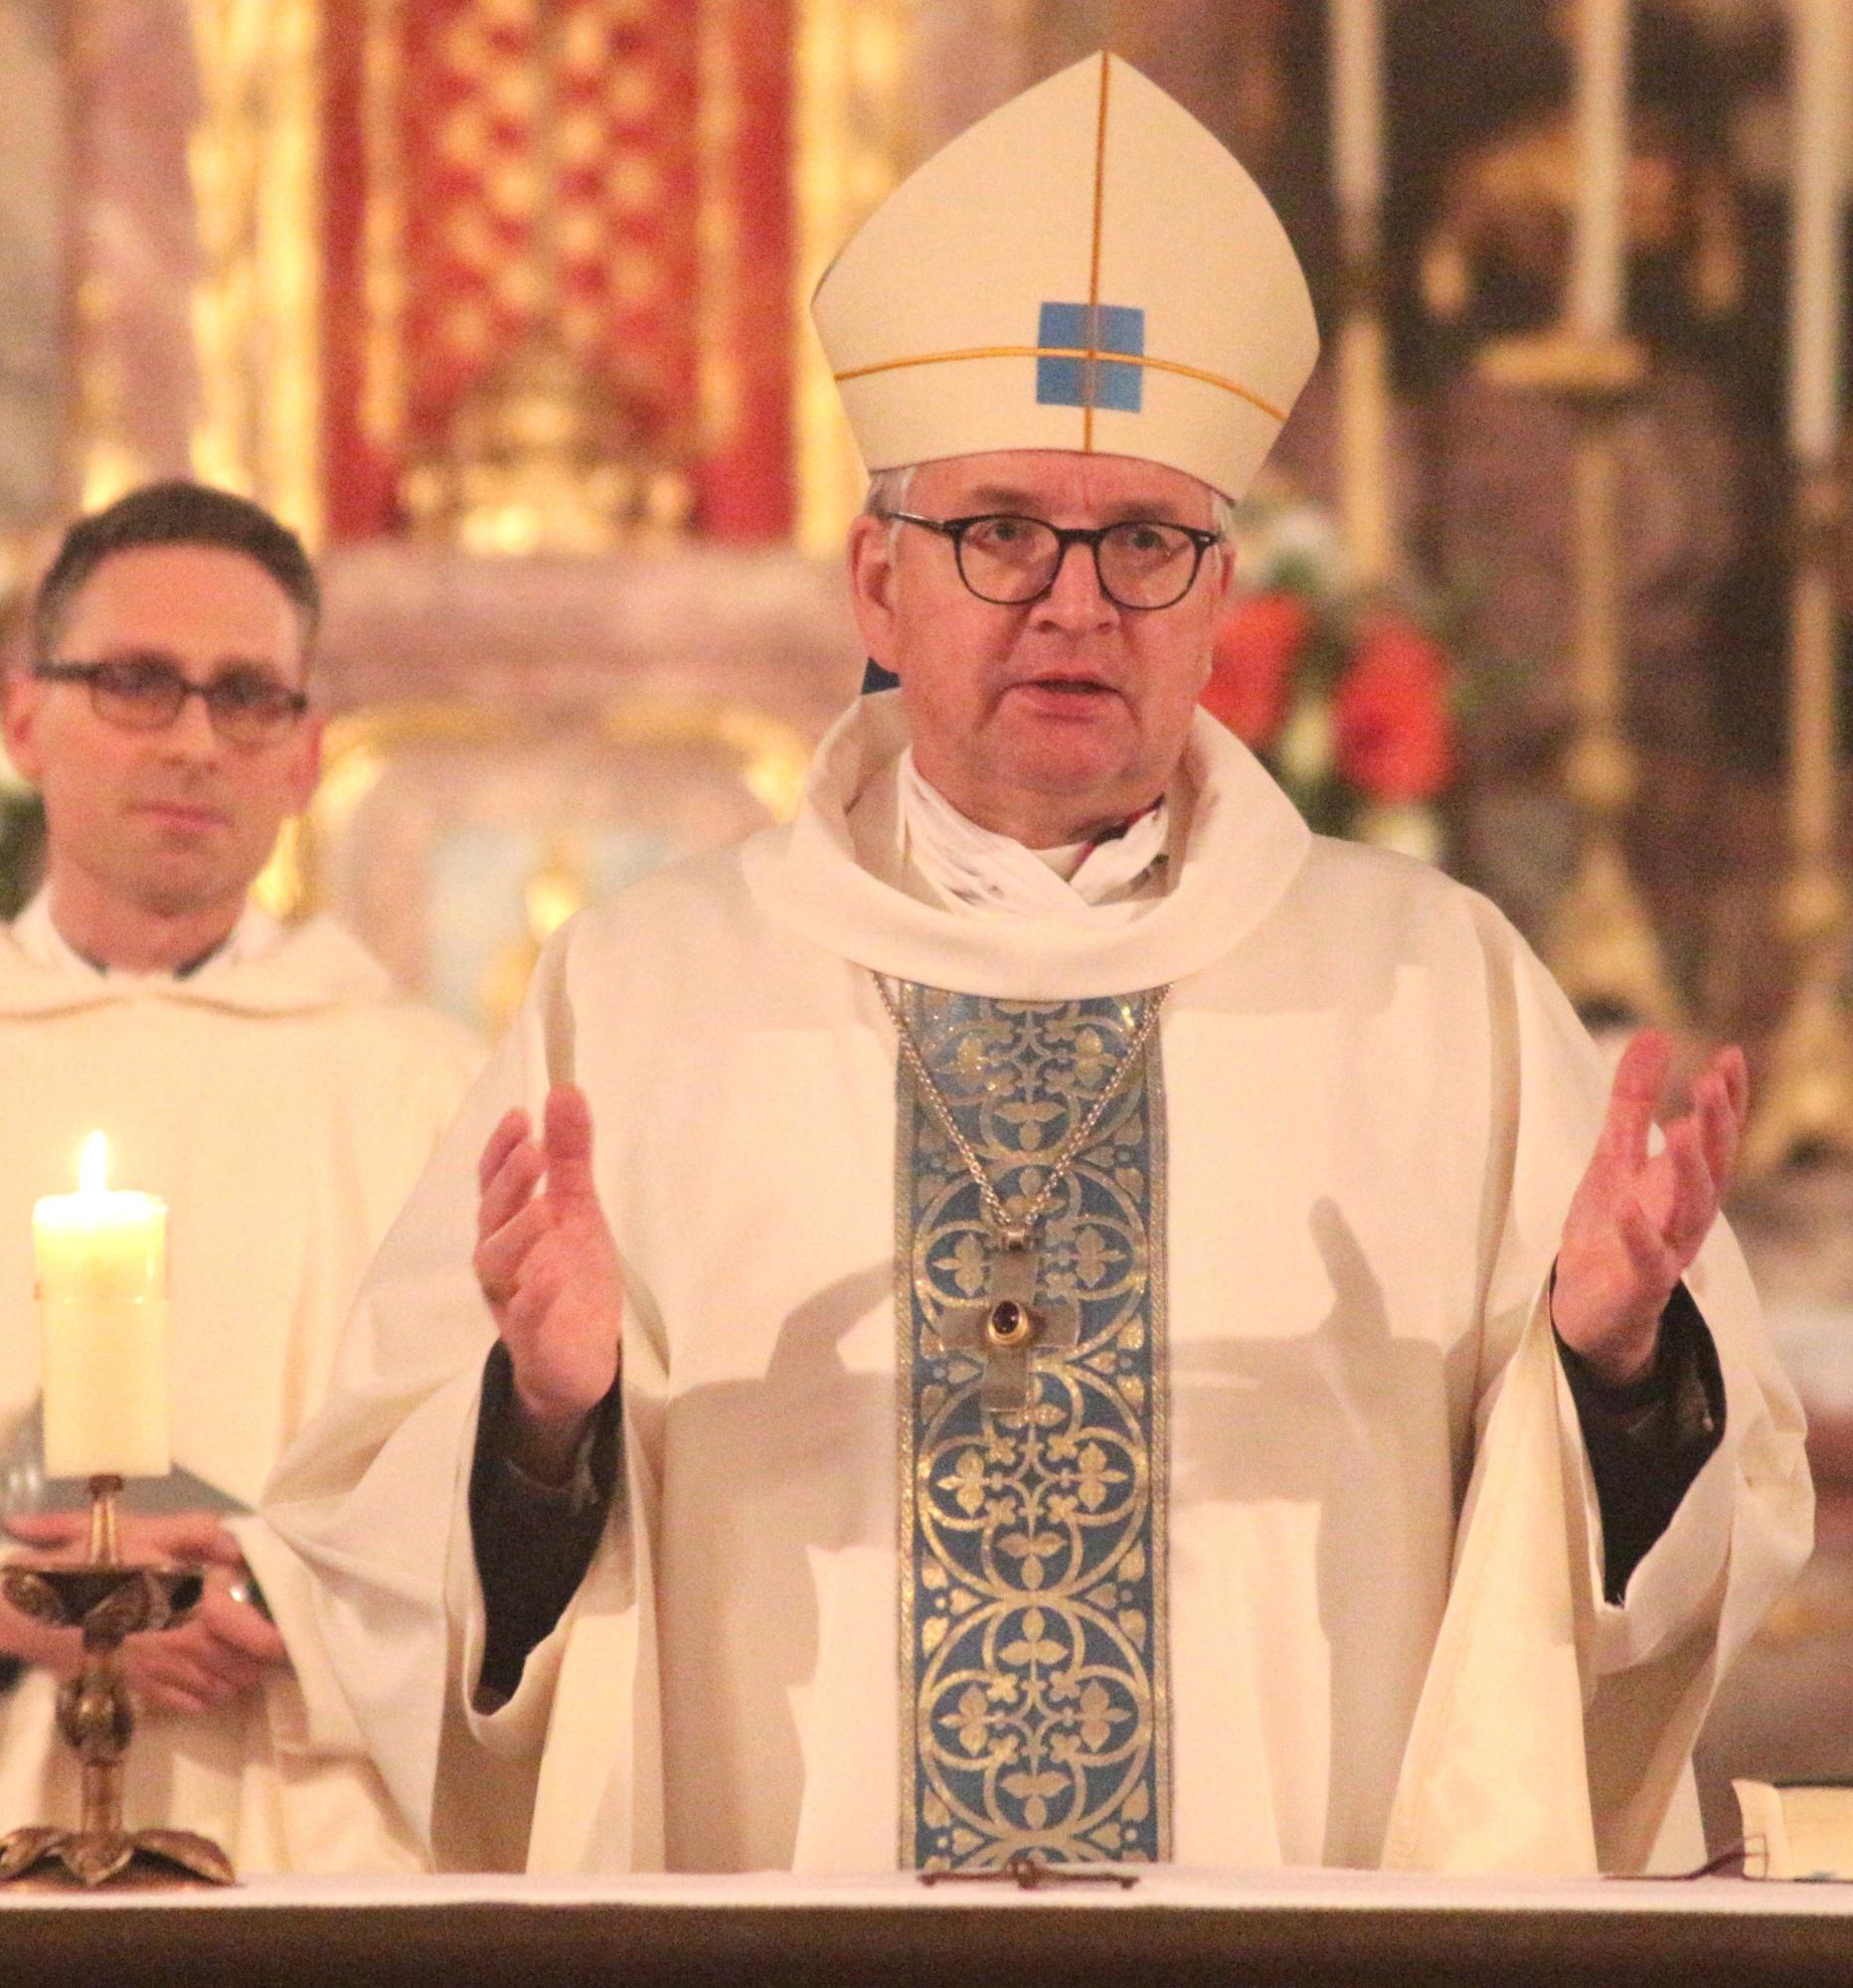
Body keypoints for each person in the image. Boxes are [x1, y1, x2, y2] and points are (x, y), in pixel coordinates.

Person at [264, 55, 1809, 1878]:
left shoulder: (1434, 989)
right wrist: (541, 1417)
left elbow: (1670, 1574)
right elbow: (384, 1580)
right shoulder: (650, 995)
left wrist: (1618, 1368)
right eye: (1000, 532)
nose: (1074, 601)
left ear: (1221, 598)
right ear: (876, 583)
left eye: (1145, 540)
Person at [0, 482, 482, 1877]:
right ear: (25, 718)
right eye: (139, 685)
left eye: (248, 696)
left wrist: (291, 1594)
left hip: (318, 1843)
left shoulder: (429, 1093)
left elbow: (511, 1489)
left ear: (308, 752)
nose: (198, 743)